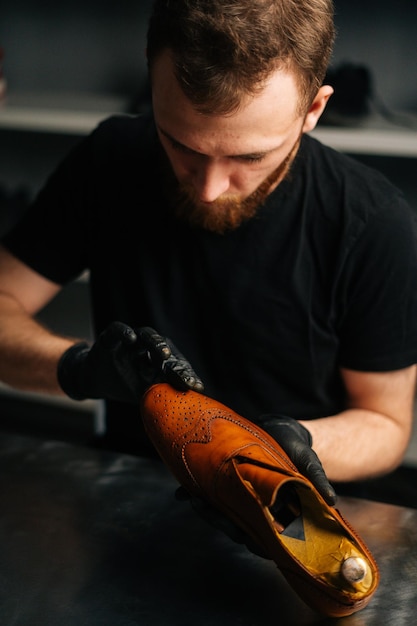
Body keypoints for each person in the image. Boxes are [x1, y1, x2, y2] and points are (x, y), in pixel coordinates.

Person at [0, 0, 416, 504]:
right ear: (153, 89)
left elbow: (386, 425)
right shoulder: (110, 157)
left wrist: (276, 452)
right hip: (127, 485)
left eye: (250, 157)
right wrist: (77, 367)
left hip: (289, 507)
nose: (209, 190)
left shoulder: (375, 223)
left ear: (313, 111)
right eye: (181, 145)